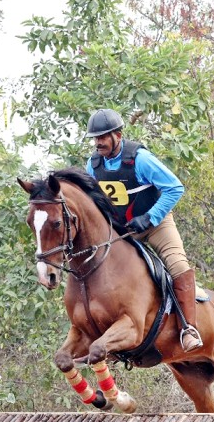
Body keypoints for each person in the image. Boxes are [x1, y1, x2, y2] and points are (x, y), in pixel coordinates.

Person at [84, 108, 203, 352]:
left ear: (118, 135)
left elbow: (175, 188)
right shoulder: (93, 165)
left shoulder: (140, 160)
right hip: (123, 231)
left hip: (156, 226)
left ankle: (188, 328)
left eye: (103, 137)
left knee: (177, 264)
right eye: (95, 138)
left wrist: (150, 216)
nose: (98, 143)